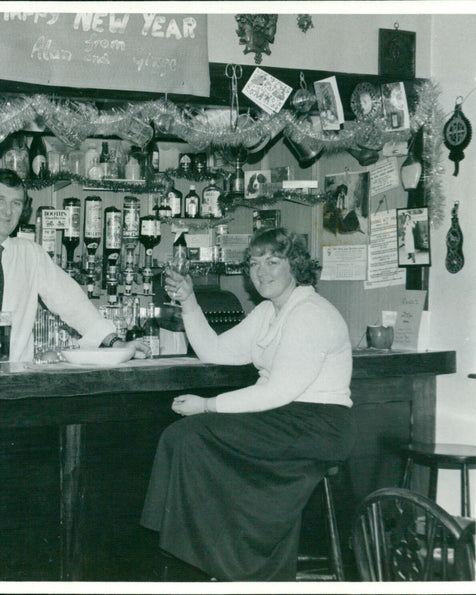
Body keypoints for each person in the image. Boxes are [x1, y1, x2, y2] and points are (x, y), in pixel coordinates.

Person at [140, 228, 356, 581]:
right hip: (286, 418)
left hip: (318, 425)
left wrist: (207, 405)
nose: (261, 272)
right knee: (182, 437)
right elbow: (214, 351)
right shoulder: (269, 311)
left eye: (273, 262)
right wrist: (189, 301)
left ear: (295, 265)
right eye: (254, 263)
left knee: (191, 436)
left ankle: (227, 562)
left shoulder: (310, 313)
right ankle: (211, 557)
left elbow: (276, 392)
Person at [0, 168, 144, 362]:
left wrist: (116, 343)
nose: (8, 211)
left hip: (17, 379)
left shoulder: (31, 255)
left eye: (16, 203)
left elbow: (73, 303)